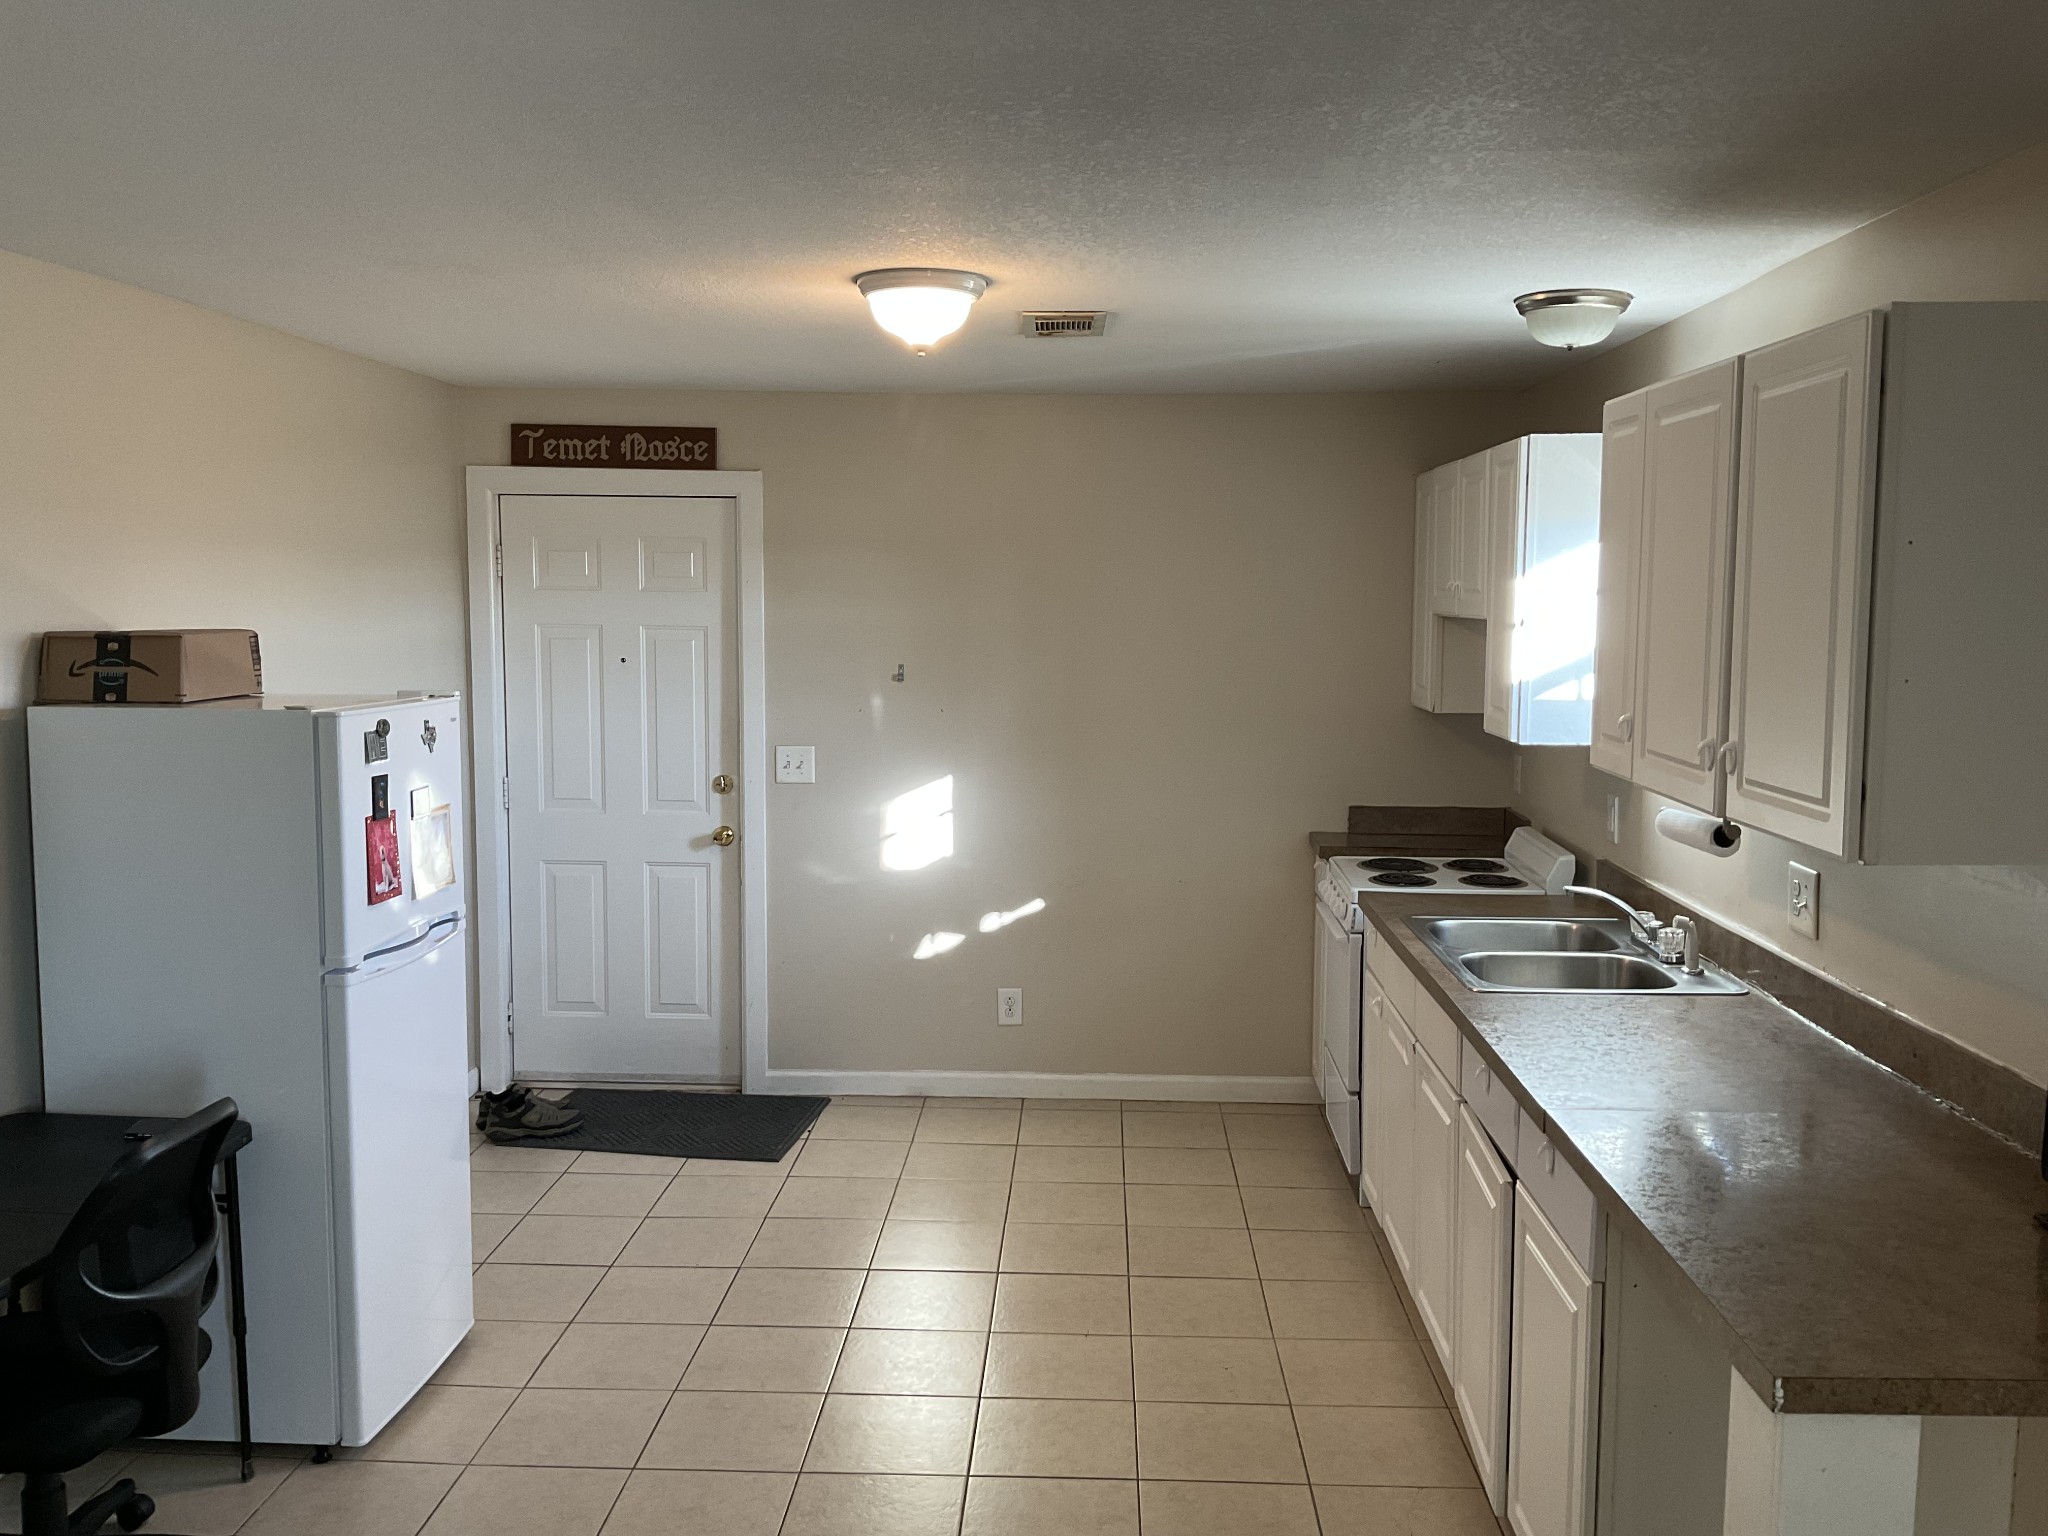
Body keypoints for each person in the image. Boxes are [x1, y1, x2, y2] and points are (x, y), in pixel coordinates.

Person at [476, 1084, 583, 1142]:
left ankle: (490, 1111)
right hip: (506, 1118)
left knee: (519, 1097)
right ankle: (507, 1120)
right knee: (525, 1104)